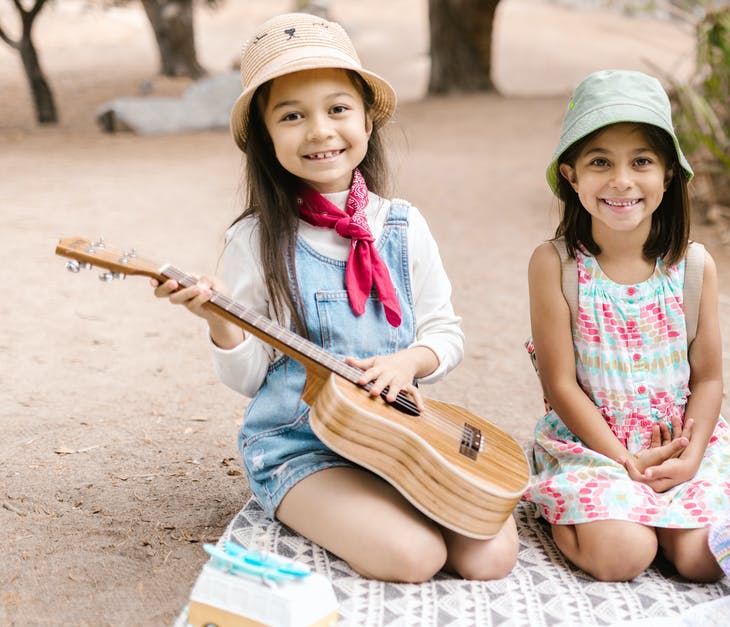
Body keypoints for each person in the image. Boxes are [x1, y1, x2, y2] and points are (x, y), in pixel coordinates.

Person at [151, 13, 518, 582]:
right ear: (267, 138)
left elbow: (445, 334)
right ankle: (324, 505)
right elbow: (250, 379)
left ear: (367, 121)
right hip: (301, 447)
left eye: (337, 108)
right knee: (414, 556)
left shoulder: (403, 225)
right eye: (292, 116)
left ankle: (384, 503)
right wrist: (220, 323)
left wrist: (406, 362)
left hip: (399, 437)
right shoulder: (254, 239)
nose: (319, 131)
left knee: (490, 557)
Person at [525, 70, 730, 583]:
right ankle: (571, 514)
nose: (621, 180)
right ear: (571, 174)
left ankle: (659, 521)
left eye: (641, 161)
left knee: (705, 560)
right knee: (623, 556)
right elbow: (559, 384)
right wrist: (624, 460)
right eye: (600, 162)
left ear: (667, 175)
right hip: (595, 447)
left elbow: (709, 378)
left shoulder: (693, 267)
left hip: (680, 445)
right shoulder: (555, 266)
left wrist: (688, 459)